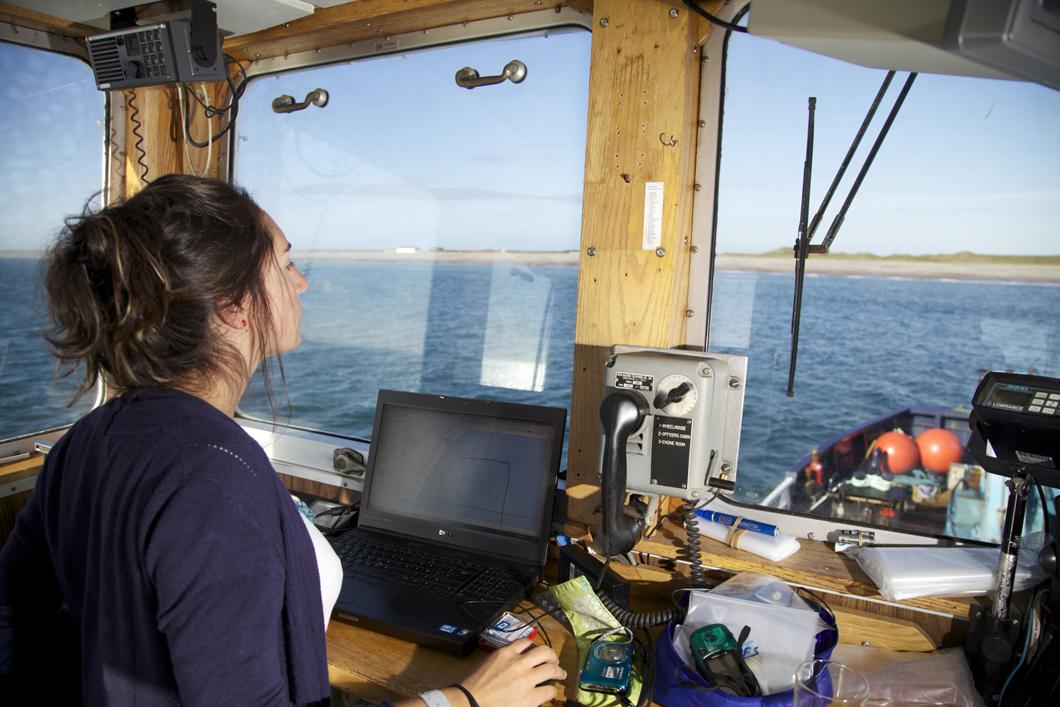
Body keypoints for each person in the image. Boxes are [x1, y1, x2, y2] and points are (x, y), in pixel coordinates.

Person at [0, 175, 565, 706]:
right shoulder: (212, 481)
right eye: (287, 262)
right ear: (234, 306)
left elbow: (12, 607)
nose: (303, 282)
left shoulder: (95, 434)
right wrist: (464, 699)